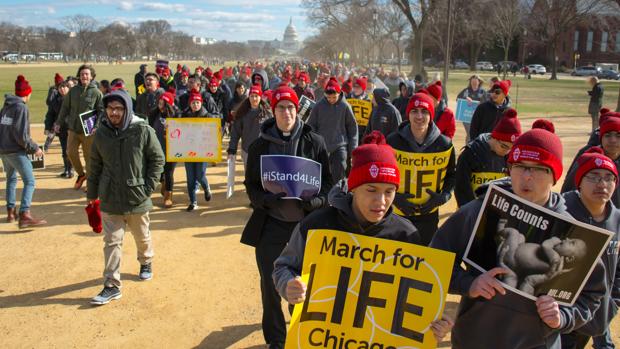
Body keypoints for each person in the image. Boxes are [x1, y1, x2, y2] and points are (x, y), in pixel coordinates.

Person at [430, 125, 607, 349]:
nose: (526, 176)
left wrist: (564, 316)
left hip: (537, 343)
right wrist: (469, 283)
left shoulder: (572, 233)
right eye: (520, 166)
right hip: (473, 338)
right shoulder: (481, 211)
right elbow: (434, 259)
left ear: (554, 175)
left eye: (538, 169)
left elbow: (591, 295)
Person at [272, 131, 453, 344]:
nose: (381, 201)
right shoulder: (316, 224)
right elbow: (283, 267)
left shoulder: (406, 235)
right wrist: (288, 284)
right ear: (354, 187)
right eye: (371, 189)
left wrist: (433, 326)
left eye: (389, 191)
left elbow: (414, 301)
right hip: (320, 339)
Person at [241, 85, 333, 349]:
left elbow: (328, 182)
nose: (286, 112)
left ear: (298, 110)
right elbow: (251, 184)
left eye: (291, 107)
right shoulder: (259, 145)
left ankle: (299, 332)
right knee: (270, 285)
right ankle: (276, 340)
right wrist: (263, 200)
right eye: (281, 107)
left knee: (303, 285)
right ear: (274, 110)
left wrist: (316, 201)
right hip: (271, 225)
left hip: (305, 227)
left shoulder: (315, 142)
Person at [88, 89, 165, 305]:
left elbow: (158, 159)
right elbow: (94, 165)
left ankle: (146, 261)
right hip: (110, 196)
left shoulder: (142, 130)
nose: (114, 113)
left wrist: (147, 187)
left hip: (137, 196)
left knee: (142, 236)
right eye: (110, 108)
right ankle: (111, 285)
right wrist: (92, 196)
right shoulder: (101, 133)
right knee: (112, 241)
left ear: (127, 109)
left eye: (118, 109)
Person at [561, 147, 620, 349]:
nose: (602, 184)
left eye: (608, 178)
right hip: (561, 317)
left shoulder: (617, 219)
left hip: (597, 313)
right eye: (593, 177)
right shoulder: (562, 211)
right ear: (579, 182)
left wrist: (613, 303)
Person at [387, 92, 455, 245]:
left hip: (428, 216)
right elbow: (383, 175)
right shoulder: (393, 141)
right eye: (414, 111)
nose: (419, 116)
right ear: (408, 114)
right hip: (397, 214)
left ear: (431, 115)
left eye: (424, 111)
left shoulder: (444, 144)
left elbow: (452, 176)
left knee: (423, 261)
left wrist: (443, 197)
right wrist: (394, 198)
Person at [0, 75, 47, 227]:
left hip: (4, 150)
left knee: (11, 179)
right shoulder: (21, 107)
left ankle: (10, 212)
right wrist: (35, 148)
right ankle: (24, 213)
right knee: (30, 181)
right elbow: (22, 136)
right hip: (15, 150)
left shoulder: (6, 106)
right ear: (27, 93)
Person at [454, 108, 521, 207]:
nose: (507, 151)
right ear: (494, 137)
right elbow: (461, 189)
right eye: (504, 146)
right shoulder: (470, 153)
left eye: (511, 148)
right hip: (472, 212)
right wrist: (472, 213)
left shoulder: (509, 156)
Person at [57, 64, 104, 191]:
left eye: (87, 74)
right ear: (79, 76)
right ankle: (81, 175)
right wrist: (58, 122)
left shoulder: (96, 92)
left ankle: (91, 183)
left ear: (91, 76)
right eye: (82, 74)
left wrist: (97, 126)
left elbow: (101, 111)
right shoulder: (73, 91)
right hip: (73, 129)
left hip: (89, 131)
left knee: (89, 158)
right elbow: (65, 108)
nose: (84, 76)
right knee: (70, 153)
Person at [307, 77, 358, 182]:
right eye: (328, 97)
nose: (331, 100)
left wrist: (353, 151)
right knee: (321, 177)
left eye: (334, 97)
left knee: (339, 177)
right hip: (322, 147)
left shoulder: (345, 106)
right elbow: (311, 126)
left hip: (340, 146)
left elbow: (352, 129)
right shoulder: (318, 106)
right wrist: (313, 143)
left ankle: (339, 195)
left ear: (339, 93)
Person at [563, 117, 620, 207]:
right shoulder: (589, 159)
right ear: (601, 138)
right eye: (608, 135)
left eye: (618, 136)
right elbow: (568, 188)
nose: (613, 140)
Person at [181, 92, 215, 212]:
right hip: (188, 151)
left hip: (202, 151)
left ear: (201, 103)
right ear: (190, 104)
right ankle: (193, 202)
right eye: (193, 102)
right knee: (190, 178)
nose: (195, 105)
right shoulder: (184, 116)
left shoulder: (208, 116)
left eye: (197, 102)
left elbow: (214, 132)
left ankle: (206, 188)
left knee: (200, 175)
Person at [227, 84, 272, 169]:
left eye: (256, 96)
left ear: (260, 97)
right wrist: (232, 150)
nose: (254, 99)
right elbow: (235, 133)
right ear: (249, 97)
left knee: (262, 178)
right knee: (250, 178)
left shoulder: (267, 113)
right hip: (247, 150)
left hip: (264, 151)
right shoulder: (242, 114)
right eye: (252, 96)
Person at [148, 92, 180, 208]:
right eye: (159, 102)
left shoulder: (176, 114)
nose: (160, 104)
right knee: (159, 171)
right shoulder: (154, 114)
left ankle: (168, 196)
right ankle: (163, 183)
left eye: (163, 102)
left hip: (172, 148)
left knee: (169, 172)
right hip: (157, 148)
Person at [45, 81, 73, 178]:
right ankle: (67, 169)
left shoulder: (74, 99)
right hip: (61, 130)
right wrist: (48, 127)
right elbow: (50, 115)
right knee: (64, 150)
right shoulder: (55, 100)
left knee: (70, 150)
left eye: (65, 87)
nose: (62, 89)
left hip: (73, 130)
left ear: (69, 88)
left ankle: (71, 169)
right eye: (60, 87)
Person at [456, 75, 488, 142]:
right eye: (472, 81)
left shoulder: (483, 92)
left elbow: (488, 103)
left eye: (475, 81)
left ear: (479, 82)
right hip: (467, 116)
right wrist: (465, 98)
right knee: (470, 133)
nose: (474, 83)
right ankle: (468, 148)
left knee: (476, 133)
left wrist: (481, 102)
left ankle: (474, 147)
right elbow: (458, 99)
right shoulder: (466, 91)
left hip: (479, 117)